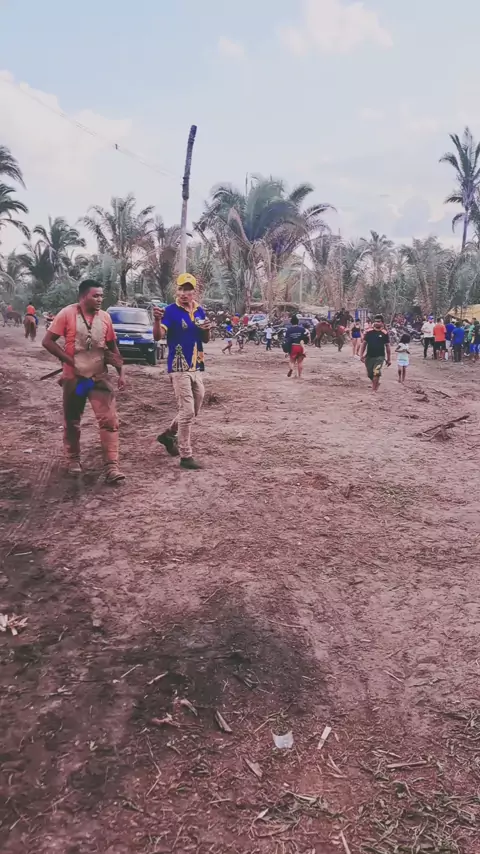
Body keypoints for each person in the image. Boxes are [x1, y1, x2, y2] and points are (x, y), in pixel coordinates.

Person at [42, 279, 126, 482]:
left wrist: (121, 372)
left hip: (98, 378)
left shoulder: (105, 317)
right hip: (77, 381)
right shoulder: (67, 314)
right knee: (73, 420)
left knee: (109, 420)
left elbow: (112, 347)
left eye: (101, 296)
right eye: (95, 295)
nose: (100, 299)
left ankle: (112, 467)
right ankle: (73, 460)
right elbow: (47, 341)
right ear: (82, 297)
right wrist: (69, 360)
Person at [153, 273, 211, 470]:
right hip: (178, 367)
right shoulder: (170, 311)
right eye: (181, 289)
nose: (184, 293)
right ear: (176, 291)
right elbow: (158, 336)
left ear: (194, 291)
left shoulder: (199, 310)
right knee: (187, 411)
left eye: (188, 289)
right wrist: (156, 320)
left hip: (196, 366)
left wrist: (207, 329)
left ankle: (168, 435)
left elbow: (205, 339)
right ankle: (186, 455)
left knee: (195, 408)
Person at [360, 314, 391, 391]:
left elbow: (387, 346)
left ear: (382, 323)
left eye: (379, 321)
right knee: (370, 374)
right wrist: (361, 355)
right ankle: (376, 383)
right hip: (369, 357)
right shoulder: (369, 332)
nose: (377, 323)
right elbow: (364, 344)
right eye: (376, 321)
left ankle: (374, 390)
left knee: (376, 372)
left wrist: (389, 359)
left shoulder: (384, 333)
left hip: (380, 357)